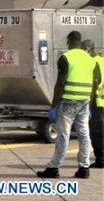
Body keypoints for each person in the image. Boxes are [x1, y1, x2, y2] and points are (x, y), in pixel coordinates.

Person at [37, 31, 98, 179]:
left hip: (68, 102)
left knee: (63, 135)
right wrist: (89, 104)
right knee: (84, 135)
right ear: (80, 42)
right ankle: (84, 168)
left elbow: (60, 84)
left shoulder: (65, 58)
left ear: (69, 41)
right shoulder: (90, 59)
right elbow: (95, 83)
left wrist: (53, 106)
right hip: (84, 102)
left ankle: (54, 168)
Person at [83, 39, 104, 168]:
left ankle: (101, 160)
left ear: (89, 49)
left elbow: (94, 84)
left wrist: (88, 103)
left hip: (97, 102)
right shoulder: (102, 60)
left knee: (97, 132)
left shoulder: (92, 62)